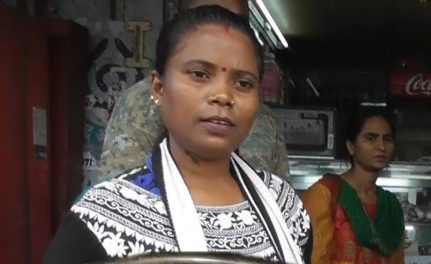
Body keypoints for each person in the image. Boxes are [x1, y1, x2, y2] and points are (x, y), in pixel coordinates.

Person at [39, 5, 311, 264]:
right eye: (199, 74)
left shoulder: (285, 206)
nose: (223, 95)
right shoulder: (104, 215)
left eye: (243, 83)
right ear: (158, 88)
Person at [96, 0, 290, 186]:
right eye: (199, 74)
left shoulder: (264, 121)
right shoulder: (139, 102)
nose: (222, 96)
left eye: (234, 20)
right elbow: (118, 185)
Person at [300, 109, 409, 264]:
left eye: (387, 139)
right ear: (351, 146)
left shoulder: (390, 204)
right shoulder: (326, 193)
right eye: (370, 138)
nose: (381, 146)